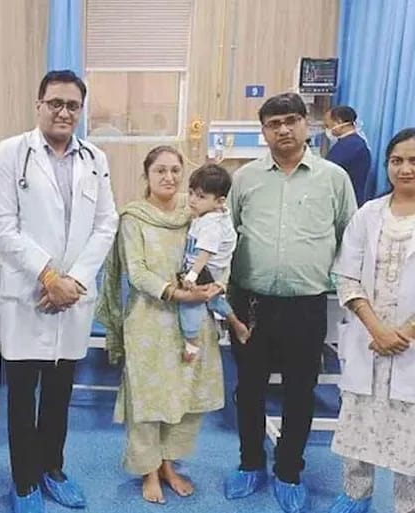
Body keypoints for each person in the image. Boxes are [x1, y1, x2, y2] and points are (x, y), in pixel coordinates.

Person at [0, 69, 118, 513]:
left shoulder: (95, 157)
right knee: (23, 395)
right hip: (29, 293)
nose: (64, 112)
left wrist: (74, 281)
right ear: (38, 104)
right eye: (55, 103)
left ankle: (52, 469)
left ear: (81, 110)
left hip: (73, 297)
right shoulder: (12, 152)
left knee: (61, 392)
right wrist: (48, 277)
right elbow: (0, 224)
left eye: (72, 105)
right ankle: (24, 481)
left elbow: (106, 224)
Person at [224, 93, 358, 513]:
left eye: (291, 121)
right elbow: (226, 235)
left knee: (301, 391)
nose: (283, 129)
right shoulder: (245, 179)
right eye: (273, 123)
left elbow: (350, 238)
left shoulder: (333, 178)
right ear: (263, 131)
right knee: (249, 389)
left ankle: (288, 471)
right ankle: (250, 463)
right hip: (251, 304)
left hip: (306, 304)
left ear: (306, 125)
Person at [97, 146, 225, 505]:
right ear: (147, 176)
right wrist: (175, 293)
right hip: (149, 319)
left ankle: (169, 464)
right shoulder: (133, 218)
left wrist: (217, 285)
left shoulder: (196, 213)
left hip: (192, 319)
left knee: (184, 395)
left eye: (175, 170)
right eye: (160, 171)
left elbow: (220, 248)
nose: (169, 177)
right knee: (148, 399)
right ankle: (149, 470)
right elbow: (136, 272)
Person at [327, 128, 415, 513]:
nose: (405, 168)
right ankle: (355, 496)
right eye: (397, 160)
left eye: (414, 161)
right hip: (369, 338)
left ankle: (407, 505)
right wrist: (376, 328)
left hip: (409, 344)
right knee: (359, 421)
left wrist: (405, 332)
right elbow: (346, 274)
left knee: (409, 433)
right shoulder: (368, 214)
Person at [178, 163, 250, 363]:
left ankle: (191, 343)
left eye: (201, 197)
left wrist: (192, 275)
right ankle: (236, 324)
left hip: (204, 270)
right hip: (213, 272)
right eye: (191, 193)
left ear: (219, 201)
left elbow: (205, 252)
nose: (193, 200)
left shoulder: (211, 223)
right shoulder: (213, 215)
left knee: (188, 303)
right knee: (215, 300)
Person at [324, 105, 371, 206]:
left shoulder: (351, 146)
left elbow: (328, 171)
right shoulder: (352, 143)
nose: (327, 129)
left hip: (347, 201)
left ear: (339, 122)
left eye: (328, 125)